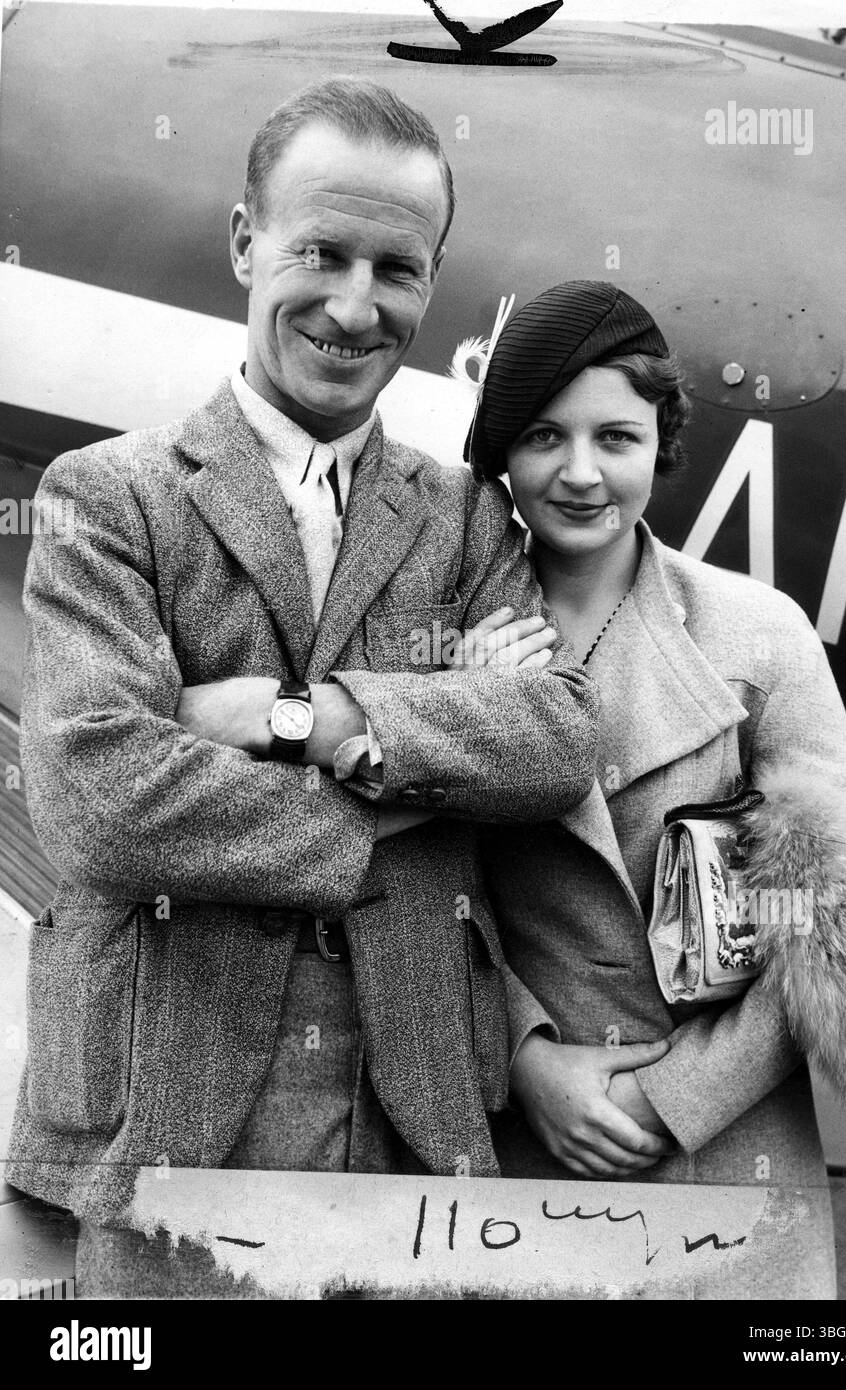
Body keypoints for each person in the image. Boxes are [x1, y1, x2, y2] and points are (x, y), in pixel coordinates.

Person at [4, 85, 600, 1225]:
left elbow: (554, 742)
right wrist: (420, 762)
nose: (354, 304)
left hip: (416, 1132)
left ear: (432, 281)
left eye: (398, 268)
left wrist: (302, 721)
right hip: (156, 1135)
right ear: (244, 243)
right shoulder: (106, 498)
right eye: (320, 250)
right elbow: (98, 799)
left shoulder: (472, 517)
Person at [465, 281, 846, 1236]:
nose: (580, 473)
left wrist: (675, 1098)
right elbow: (415, 893)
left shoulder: (760, 636)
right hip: (515, 1161)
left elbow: (843, 929)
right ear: (502, 449)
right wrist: (522, 1058)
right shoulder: (444, 634)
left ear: (662, 445)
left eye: (617, 439)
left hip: (728, 1166)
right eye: (543, 436)